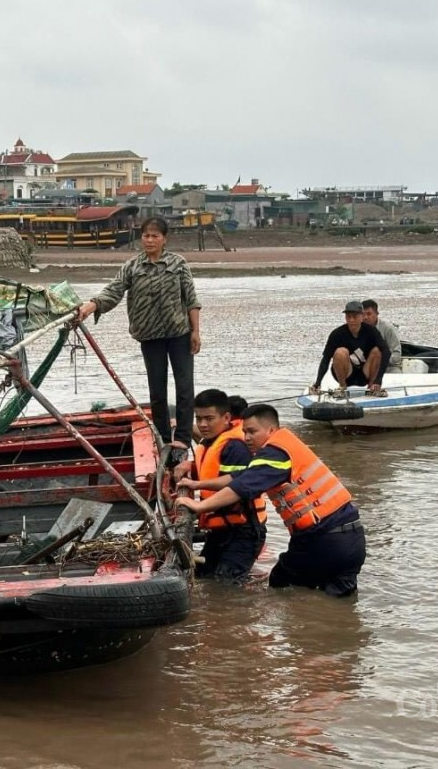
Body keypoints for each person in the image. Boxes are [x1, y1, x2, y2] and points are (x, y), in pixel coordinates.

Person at [176, 404, 366, 597]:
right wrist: (197, 485)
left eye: (252, 432)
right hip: (352, 539)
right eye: (244, 432)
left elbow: (241, 488)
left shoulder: (275, 454)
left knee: (281, 584)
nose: (247, 438)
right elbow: (240, 477)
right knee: (340, 601)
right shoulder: (286, 447)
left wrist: (199, 506)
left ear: (271, 430)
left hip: (323, 539)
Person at [77, 216, 201, 455]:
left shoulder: (178, 264)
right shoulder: (133, 266)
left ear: (165, 239)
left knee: (184, 387)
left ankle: (183, 438)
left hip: (179, 334)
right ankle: (163, 437)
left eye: (155, 236)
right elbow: (114, 290)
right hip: (149, 336)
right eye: (146, 235)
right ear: (141, 237)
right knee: (157, 390)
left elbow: (191, 299)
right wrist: (92, 305)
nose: (150, 240)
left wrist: (196, 331)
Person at [172, 390, 266, 582]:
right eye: (199, 419)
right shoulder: (209, 443)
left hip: (243, 530)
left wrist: (196, 484)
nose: (203, 424)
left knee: (227, 586)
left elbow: (236, 481)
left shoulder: (235, 446)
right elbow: (209, 469)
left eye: (209, 418)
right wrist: (189, 465)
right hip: (221, 529)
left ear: (226, 417)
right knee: (204, 576)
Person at [310, 300, 390, 395]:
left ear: (362, 317)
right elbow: (326, 359)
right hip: (346, 374)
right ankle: (342, 388)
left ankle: (372, 387)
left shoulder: (371, 331)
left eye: (355, 317)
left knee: (378, 351)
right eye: (348, 317)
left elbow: (386, 352)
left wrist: (379, 379)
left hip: (365, 374)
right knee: (340, 352)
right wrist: (318, 383)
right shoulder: (337, 334)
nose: (351, 320)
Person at [361, 298, 401, 372]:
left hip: (388, 367)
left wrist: (378, 359)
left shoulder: (389, 329)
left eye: (369, 314)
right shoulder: (357, 328)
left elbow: (396, 356)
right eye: (363, 314)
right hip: (364, 367)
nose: (365, 317)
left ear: (376, 314)